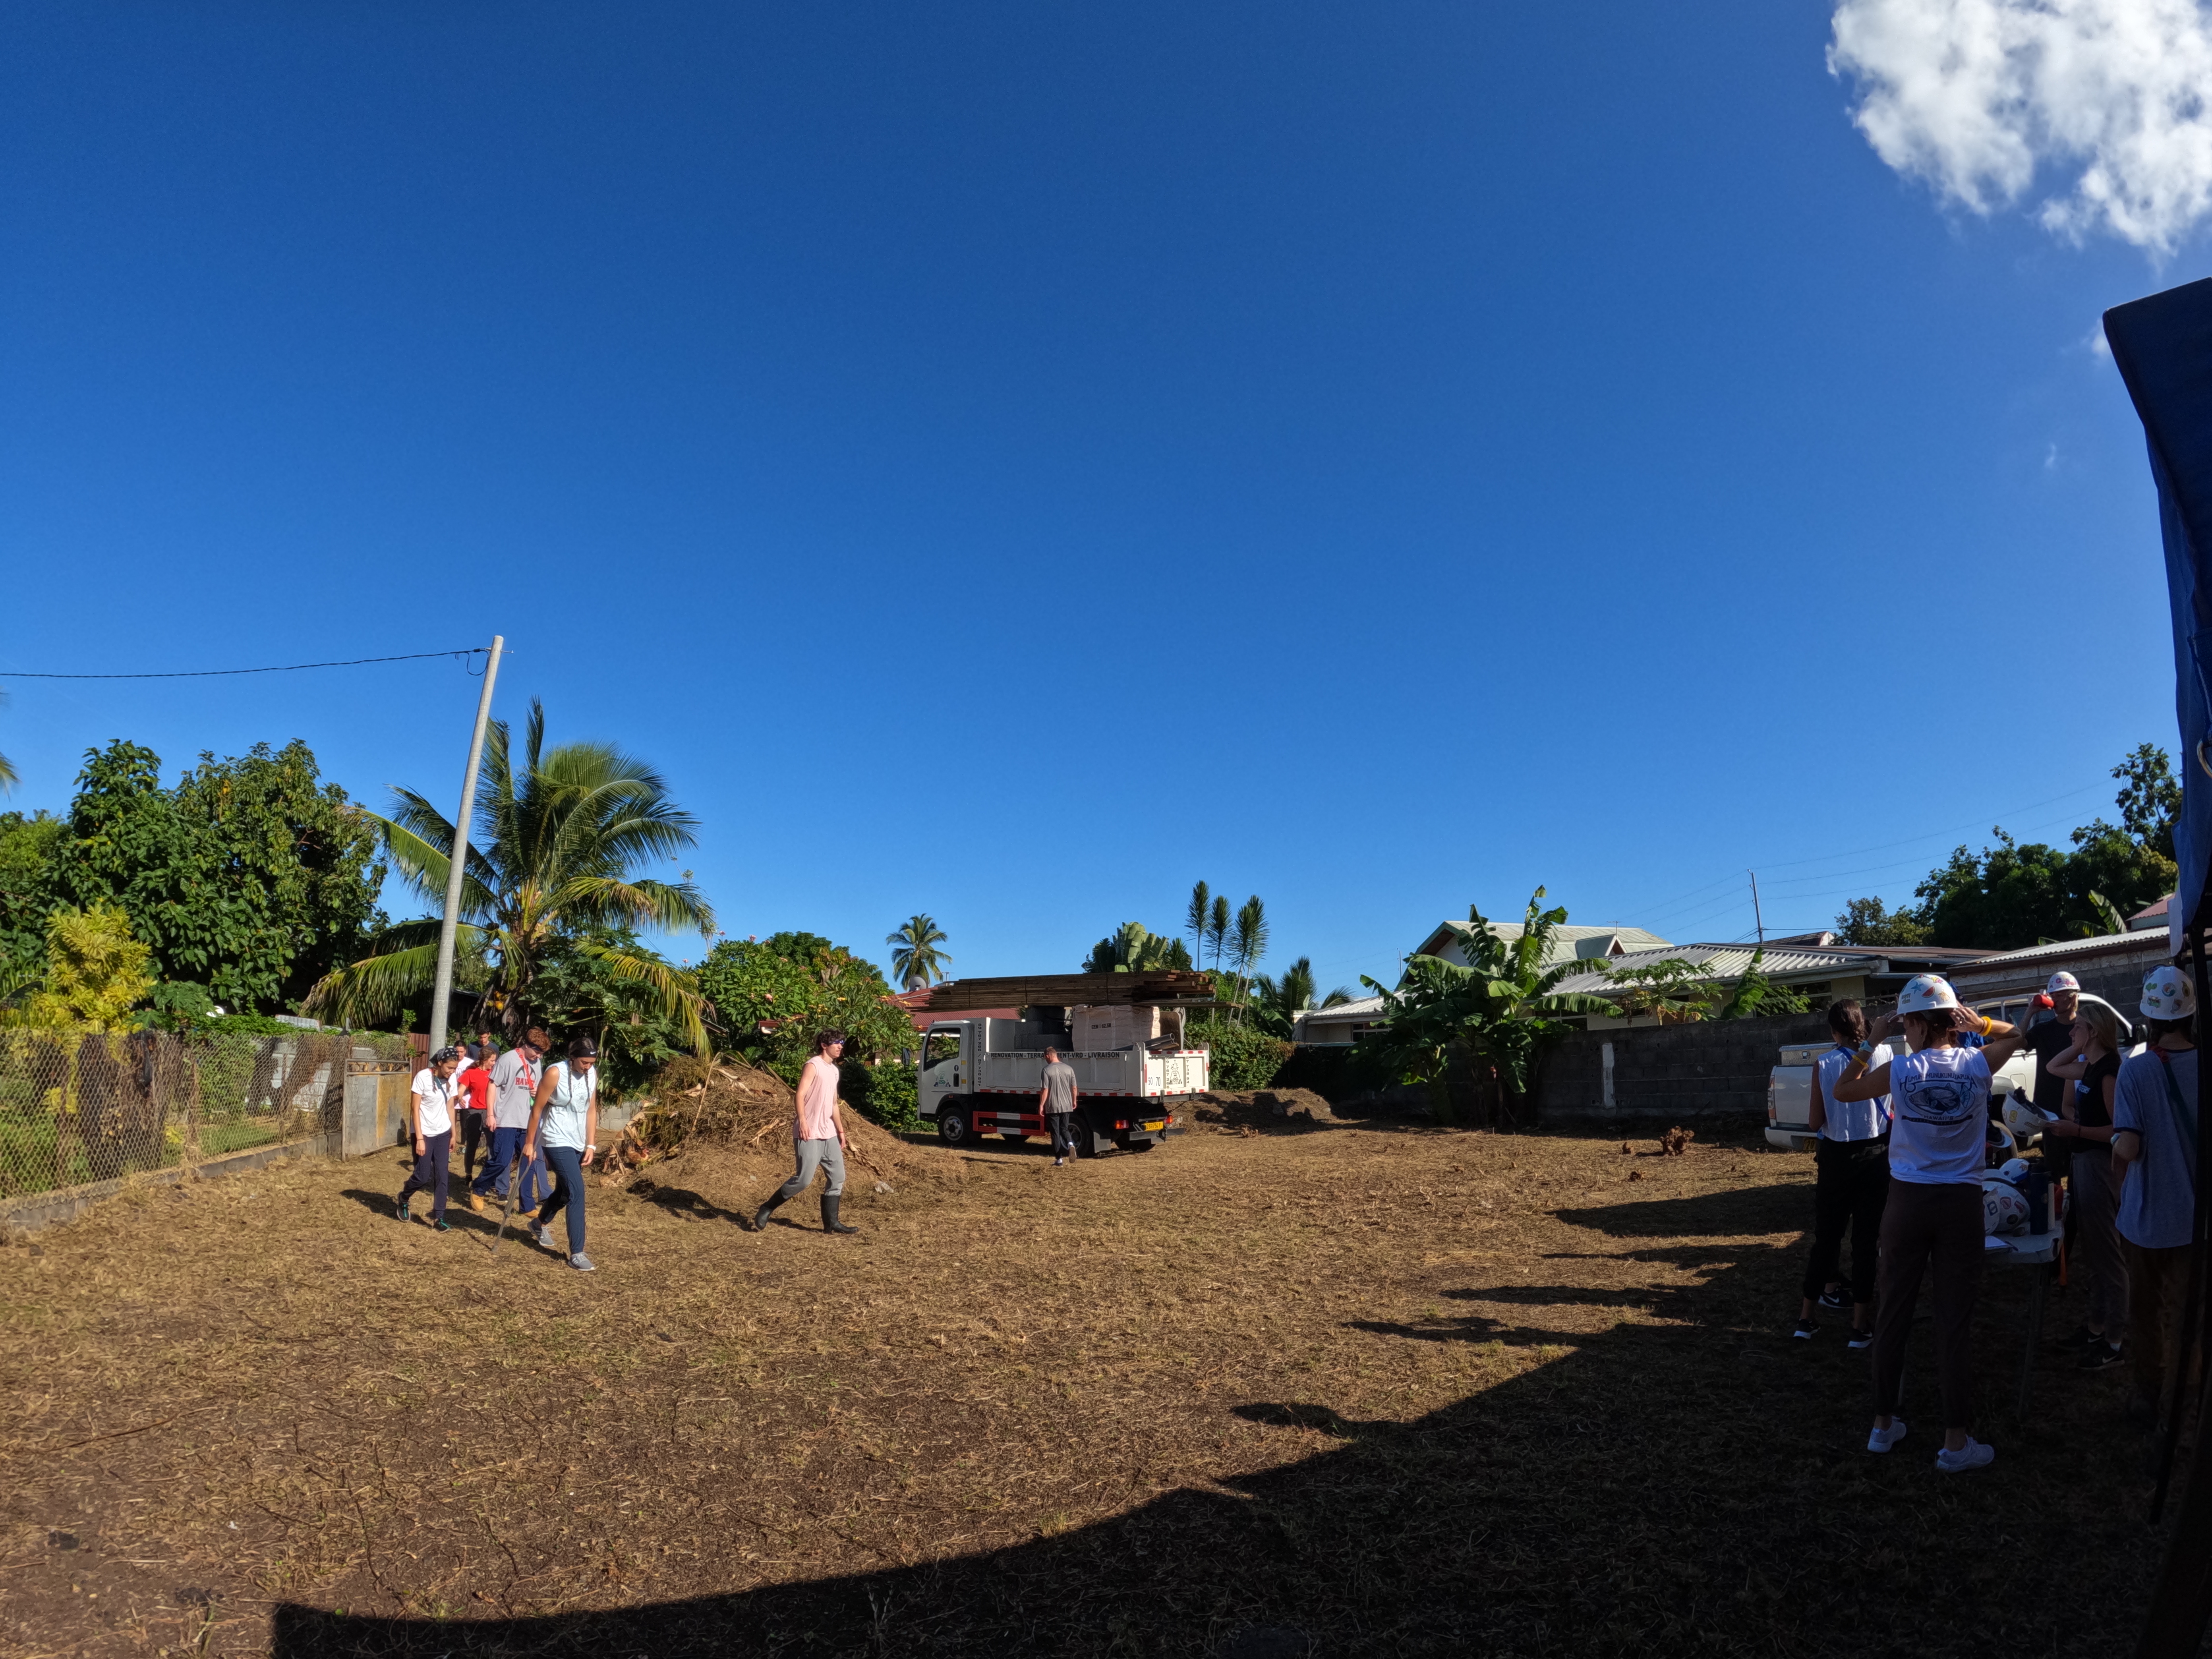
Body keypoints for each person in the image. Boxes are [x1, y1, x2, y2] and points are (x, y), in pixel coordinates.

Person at [1833, 974, 2023, 1473]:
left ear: (1915, 1022)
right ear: (1952, 1020)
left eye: (1906, 1025)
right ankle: (1956, 1442)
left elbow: (1843, 1089)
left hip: (1907, 1204)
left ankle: (1882, 1425)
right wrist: (1979, 1021)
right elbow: (2017, 1036)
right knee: (1953, 1322)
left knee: (1893, 1312)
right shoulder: (1979, 1063)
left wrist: (1872, 1039)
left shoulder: (1899, 1069)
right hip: (1961, 1204)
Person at [2112, 965, 2199, 1427]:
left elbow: (2129, 1147)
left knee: (2144, 1313)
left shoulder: (2137, 1070)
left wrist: (2109, 1143)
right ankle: (2179, 1411)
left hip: (2144, 1220)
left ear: (2148, 1018)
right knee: (2188, 1320)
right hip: (2196, 1222)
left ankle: (2146, 1398)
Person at [1794, 1000, 1891, 1348]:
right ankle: (1860, 1327)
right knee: (1866, 1244)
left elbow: (1815, 1122)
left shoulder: (1825, 1063)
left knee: (1827, 1239)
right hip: (1876, 1154)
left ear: (1834, 1031)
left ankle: (1806, 1319)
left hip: (1836, 1158)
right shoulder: (1886, 1057)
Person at [2046, 1001, 2128, 1369]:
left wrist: (2076, 1130)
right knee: (2094, 1252)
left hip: (2099, 1165)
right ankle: (2096, 1327)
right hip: (2084, 1163)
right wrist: (2081, 1044)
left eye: (2077, 1028)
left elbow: (2120, 1130)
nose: (2069, 1032)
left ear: (2093, 1031)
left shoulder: (2108, 1071)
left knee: (2108, 1255)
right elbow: (2053, 1067)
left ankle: (2114, 1341)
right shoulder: (2091, 1066)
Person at [750, 1029, 857, 1235]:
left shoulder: (834, 1070)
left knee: (838, 1178)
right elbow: (799, 1095)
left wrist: (841, 1131)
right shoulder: (813, 1065)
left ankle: (831, 1224)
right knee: (804, 1179)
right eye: (837, 1043)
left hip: (829, 1134)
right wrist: (803, 1121)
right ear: (824, 1046)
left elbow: (834, 1103)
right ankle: (767, 1208)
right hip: (809, 1132)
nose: (841, 1046)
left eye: (842, 1043)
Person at [522, 1036, 600, 1271]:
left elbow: (591, 1110)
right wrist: (529, 1143)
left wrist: (591, 1144)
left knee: (565, 1192)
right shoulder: (555, 1073)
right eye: (584, 1062)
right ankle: (577, 1252)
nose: (588, 1067)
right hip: (556, 1139)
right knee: (577, 1192)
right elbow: (537, 1109)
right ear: (573, 1057)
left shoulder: (592, 1073)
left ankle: (539, 1224)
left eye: (591, 1063)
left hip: (578, 1141)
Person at [470, 1027, 547, 1217]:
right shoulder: (508, 1059)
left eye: (542, 1053)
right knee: (502, 1160)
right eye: (537, 1051)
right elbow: (492, 1085)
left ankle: (527, 1205)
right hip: (506, 1119)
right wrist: (490, 1115)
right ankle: (479, 1188)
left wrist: (538, 1092)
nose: (539, 1056)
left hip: (527, 1121)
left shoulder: (537, 1062)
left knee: (529, 1161)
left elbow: (537, 1087)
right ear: (527, 1045)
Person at [397, 1045, 465, 1229]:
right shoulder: (423, 1077)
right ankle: (404, 1198)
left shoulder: (452, 1079)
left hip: (443, 1133)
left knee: (442, 1175)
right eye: (449, 1068)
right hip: (425, 1133)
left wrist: (454, 1134)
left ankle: (439, 1217)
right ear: (440, 1063)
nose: (452, 1072)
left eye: (455, 1069)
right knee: (422, 1176)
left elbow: (451, 1107)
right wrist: (419, 1138)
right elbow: (415, 1109)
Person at [454, 1043, 494, 1183]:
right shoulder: (471, 1073)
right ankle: (469, 1174)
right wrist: (459, 1097)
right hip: (474, 1111)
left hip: (490, 1113)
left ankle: (489, 1177)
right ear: (485, 1060)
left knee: (492, 1146)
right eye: (492, 1060)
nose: (494, 1063)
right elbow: (461, 1090)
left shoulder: (494, 1074)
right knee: (472, 1144)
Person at [1039, 1046, 1081, 1166]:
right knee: (1064, 1128)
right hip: (1067, 1105)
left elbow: (1045, 1090)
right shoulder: (1069, 1069)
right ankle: (1070, 1144)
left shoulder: (1047, 1070)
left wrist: (1042, 1105)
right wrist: (1074, 1101)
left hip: (1053, 1106)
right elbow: (1074, 1088)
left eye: (1045, 1058)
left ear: (1048, 1056)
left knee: (1056, 1133)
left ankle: (1059, 1160)